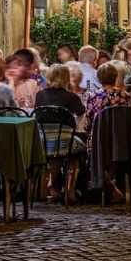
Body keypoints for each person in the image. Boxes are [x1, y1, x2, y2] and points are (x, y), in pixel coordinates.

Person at [34, 64, 86, 203]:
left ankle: (51, 187)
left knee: (54, 156)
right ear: (66, 78)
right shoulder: (71, 97)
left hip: (43, 142)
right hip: (65, 141)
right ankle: (70, 190)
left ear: (49, 77)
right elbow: (81, 113)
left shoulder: (40, 95)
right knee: (75, 156)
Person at [84, 61, 131, 136]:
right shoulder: (125, 95)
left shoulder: (92, 96)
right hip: (120, 136)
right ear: (116, 77)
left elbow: (88, 123)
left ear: (98, 78)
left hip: (99, 138)